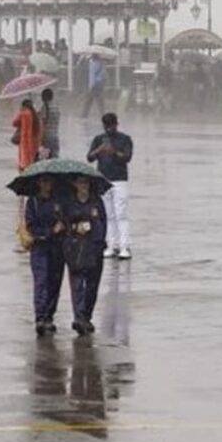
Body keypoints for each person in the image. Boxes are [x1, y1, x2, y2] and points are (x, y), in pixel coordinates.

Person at [62, 176, 108, 336]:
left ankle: (87, 316)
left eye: (86, 183)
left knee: (92, 286)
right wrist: (75, 228)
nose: (84, 186)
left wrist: (100, 241)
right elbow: (64, 224)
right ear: (74, 184)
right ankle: (79, 317)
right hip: (75, 249)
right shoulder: (69, 203)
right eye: (80, 182)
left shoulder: (97, 202)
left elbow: (104, 222)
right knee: (77, 285)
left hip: (94, 248)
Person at [87, 112, 134, 260]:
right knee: (107, 214)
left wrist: (113, 152)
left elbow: (127, 157)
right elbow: (89, 158)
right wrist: (99, 149)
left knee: (121, 214)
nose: (109, 129)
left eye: (111, 125)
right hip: (103, 180)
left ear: (116, 124)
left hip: (120, 180)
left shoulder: (125, 139)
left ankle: (124, 246)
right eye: (106, 126)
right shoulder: (98, 139)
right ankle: (111, 245)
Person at [25, 176, 66, 336]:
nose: (47, 184)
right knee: (41, 282)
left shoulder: (59, 201)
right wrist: (50, 232)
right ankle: (40, 317)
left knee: (54, 283)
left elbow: (65, 221)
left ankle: (49, 315)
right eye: (43, 182)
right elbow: (31, 227)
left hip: (57, 249)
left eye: (49, 181)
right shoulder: (33, 202)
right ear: (38, 183)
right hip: (40, 249)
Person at [13, 98, 41, 172]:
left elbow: (14, 123)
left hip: (25, 140)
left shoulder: (23, 113)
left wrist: (20, 111)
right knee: (31, 159)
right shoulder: (35, 114)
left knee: (24, 161)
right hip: (34, 141)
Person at [81, 53, 106, 118]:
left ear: (93, 57)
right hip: (99, 84)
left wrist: (90, 86)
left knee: (88, 101)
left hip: (94, 85)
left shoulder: (92, 64)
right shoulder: (102, 64)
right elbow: (103, 74)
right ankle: (103, 114)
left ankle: (84, 115)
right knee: (100, 101)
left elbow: (92, 76)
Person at [39, 88, 60, 159]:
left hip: (46, 139)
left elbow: (41, 121)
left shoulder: (45, 107)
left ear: (45, 97)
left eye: (42, 97)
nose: (41, 99)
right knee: (54, 160)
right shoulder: (56, 107)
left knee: (44, 161)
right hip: (55, 138)